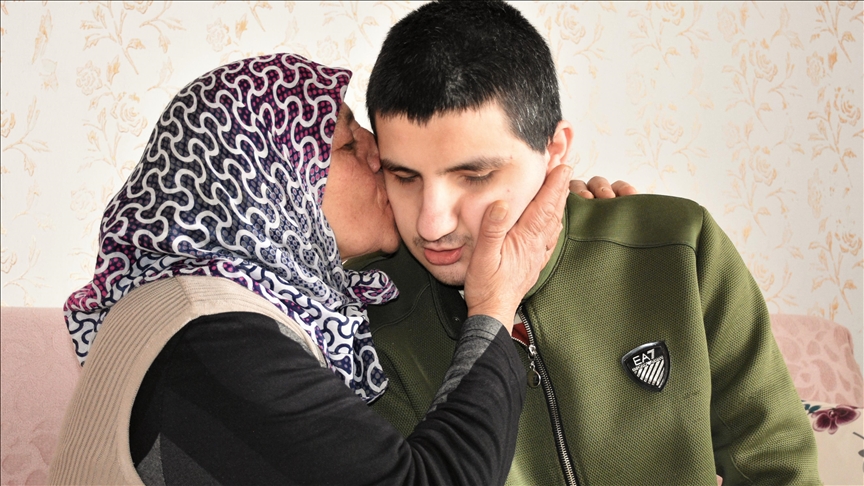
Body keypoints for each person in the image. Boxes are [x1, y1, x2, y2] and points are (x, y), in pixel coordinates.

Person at [48, 53, 574, 485]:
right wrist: (494, 304)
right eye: (347, 143)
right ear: (263, 184)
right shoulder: (215, 339)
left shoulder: (186, 307)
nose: (378, 156)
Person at [353, 1, 821, 485]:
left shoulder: (678, 246)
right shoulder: (365, 321)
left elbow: (777, 464)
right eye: (403, 176)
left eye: (474, 176)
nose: (431, 224)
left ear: (554, 150)